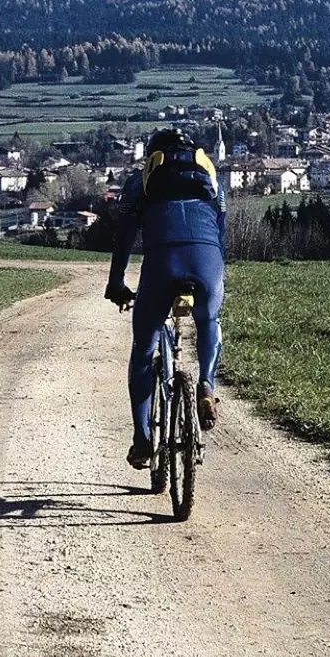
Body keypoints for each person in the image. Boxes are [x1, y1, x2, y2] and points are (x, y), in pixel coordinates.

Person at [105, 127, 227, 469]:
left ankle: (142, 440)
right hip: (207, 260)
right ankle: (206, 386)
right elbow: (221, 233)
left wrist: (116, 283)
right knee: (209, 320)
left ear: (153, 157)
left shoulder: (140, 182)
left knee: (143, 349)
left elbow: (124, 237)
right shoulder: (211, 179)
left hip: (163, 261)